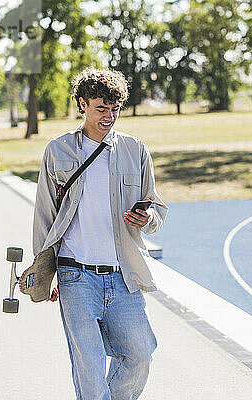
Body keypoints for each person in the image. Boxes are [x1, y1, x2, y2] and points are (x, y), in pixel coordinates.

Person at [31, 67, 168, 400]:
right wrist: (43, 272)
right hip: (76, 277)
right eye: (101, 108)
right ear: (82, 104)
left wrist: (146, 218)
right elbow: (44, 216)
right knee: (89, 367)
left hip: (124, 277)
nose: (109, 116)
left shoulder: (135, 150)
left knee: (139, 355)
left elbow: (157, 210)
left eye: (115, 108)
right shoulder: (58, 150)